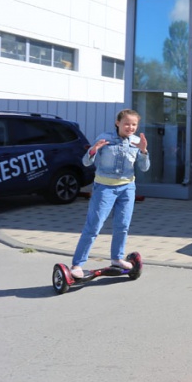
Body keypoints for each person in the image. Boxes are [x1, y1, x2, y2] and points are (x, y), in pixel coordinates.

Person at [70, 109, 150, 278]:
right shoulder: (104, 138)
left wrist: (143, 151)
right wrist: (93, 150)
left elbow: (144, 168)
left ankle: (117, 258)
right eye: (126, 123)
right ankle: (77, 265)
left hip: (127, 188)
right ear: (117, 122)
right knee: (94, 226)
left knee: (122, 226)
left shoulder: (136, 141)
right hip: (104, 188)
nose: (130, 127)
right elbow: (86, 162)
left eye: (134, 124)